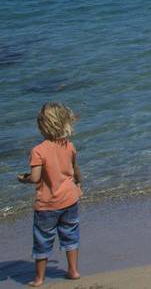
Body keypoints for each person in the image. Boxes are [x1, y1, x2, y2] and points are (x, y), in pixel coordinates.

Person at [19, 102, 81, 286]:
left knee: (43, 239)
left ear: (42, 126)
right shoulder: (68, 145)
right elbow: (75, 169)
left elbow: (36, 178)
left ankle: (39, 279)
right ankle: (73, 270)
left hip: (47, 204)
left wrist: (24, 178)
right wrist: (79, 184)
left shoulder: (38, 150)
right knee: (70, 235)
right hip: (70, 199)